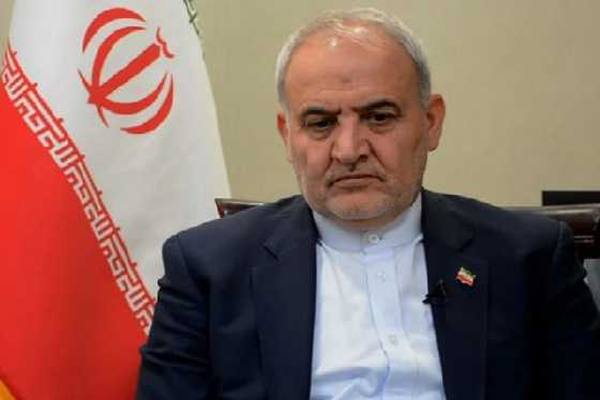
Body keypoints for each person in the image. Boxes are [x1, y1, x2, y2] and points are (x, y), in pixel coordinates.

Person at [136, 8, 600, 400]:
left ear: (431, 122)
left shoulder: (528, 257)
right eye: (321, 123)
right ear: (287, 135)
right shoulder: (207, 268)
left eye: (379, 117)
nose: (348, 150)